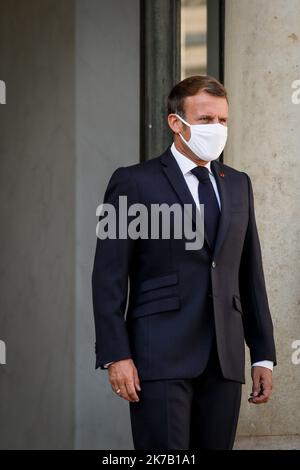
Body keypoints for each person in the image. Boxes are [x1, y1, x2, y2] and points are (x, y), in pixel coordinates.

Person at [91, 75, 276, 450]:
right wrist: (116, 354)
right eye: (206, 120)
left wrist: (264, 356)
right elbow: (108, 276)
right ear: (177, 123)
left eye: (223, 120)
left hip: (224, 359)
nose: (217, 129)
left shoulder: (239, 184)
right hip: (158, 357)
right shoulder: (133, 182)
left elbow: (248, 273)